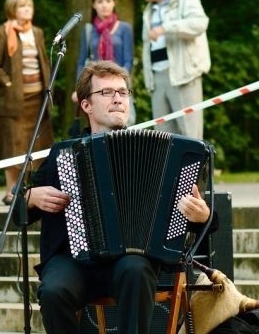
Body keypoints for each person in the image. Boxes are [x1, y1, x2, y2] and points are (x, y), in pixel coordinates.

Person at [18, 60, 214, 334]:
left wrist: (202, 215)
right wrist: (30, 197)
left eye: (123, 92)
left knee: (136, 269)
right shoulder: (63, 155)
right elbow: (19, 209)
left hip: (130, 261)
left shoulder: (165, 154)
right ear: (86, 105)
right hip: (73, 260)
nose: (118, 99)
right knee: (53, 291)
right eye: (107, 92)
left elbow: (204, 219)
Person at [0, 0, 54, 205]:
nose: (28, 10)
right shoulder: (1, 32)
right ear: (12, 9)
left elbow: (43, 60)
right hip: (13, 102)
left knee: (38, 145)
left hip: (38, 99)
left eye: (30, 6)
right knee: (13, 146)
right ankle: (10, 192)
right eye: (23, 6)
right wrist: (7, 83)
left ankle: (32, 191)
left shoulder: (37, 32)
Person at [136, 0, 211, 139]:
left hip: (183, 75)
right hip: (157, 77)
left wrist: (166, 28)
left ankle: (199, 168)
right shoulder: (148, 10)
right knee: (163, 136)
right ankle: (169, 168)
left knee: (190, 135)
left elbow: (200, 23)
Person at [74, 0, 135, 127]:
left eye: (108, 1)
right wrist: (78, 89)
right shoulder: (88, 30)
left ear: (114, 3)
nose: (104, 5)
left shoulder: (124, 28)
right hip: (97, 85)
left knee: (126, 121)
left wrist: (119, 81)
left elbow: (128, 60)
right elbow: (81, 61)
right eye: (100, 1)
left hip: (119, 82)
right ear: (94, 5)